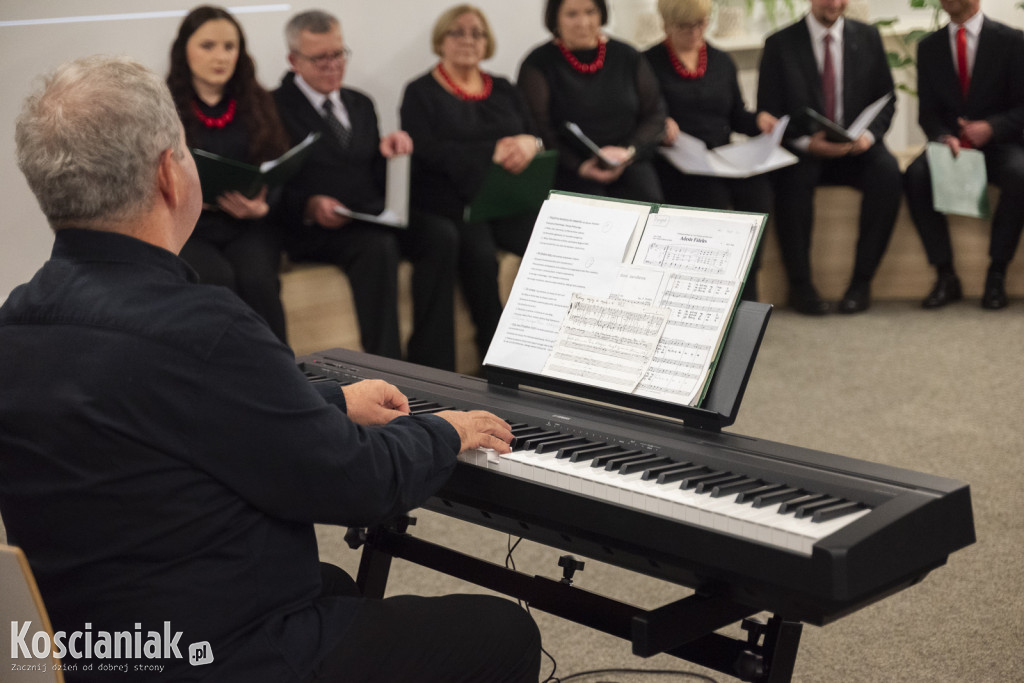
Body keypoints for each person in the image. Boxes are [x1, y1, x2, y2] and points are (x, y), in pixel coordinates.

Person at [0, 54, 540, 683]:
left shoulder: (16, 321)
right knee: (504, 631)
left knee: (335, 584)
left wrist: (333, 403)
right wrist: (446, 430)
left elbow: (174, 415)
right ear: (170, 174)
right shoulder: (203, 329)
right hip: (219, 652)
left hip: (94, 644)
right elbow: (358, 483)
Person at [273, 10, 457, 368]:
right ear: (294, 61)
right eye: (320, 58)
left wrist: (391, 154)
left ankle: (434, 363)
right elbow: (274, 183)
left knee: (441, 235)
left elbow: (371, 174)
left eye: (338, 54)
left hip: (367, 215)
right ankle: (389, 372)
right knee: (378, 247)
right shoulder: (275, 107)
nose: (333, 65)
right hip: (313, 228)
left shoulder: (360, 103)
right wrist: (309, 206)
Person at [400, 5, 541, 362]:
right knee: (479, 255)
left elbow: (535, 134)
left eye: (477, 33)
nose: (468, 40)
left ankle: (544, 346)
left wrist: (531, 143)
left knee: (547, 242)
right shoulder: (420, 91)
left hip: (507, 199)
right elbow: (426, 152)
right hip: (453, 203)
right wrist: (489, 152)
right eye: (458, 32)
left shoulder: (504, 88)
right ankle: (497, 357)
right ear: (441, 40)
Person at [757, 0, 901, 314]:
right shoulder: (780, 44)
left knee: (888, 172)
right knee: (791, 179)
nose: (834, 4)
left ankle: (861, 283)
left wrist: (868, 137)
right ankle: (801, 286)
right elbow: (769, 111)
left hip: (856, 148)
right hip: (805, 149)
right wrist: (807, 142)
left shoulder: (868, 37)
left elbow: (887, 99)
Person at [167, 5, 291, 344]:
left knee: (257, 279)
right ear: (184, 50)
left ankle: (279, 369)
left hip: (248, 224)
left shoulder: (257, 100)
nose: (220, 56)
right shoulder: (165, 106)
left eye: (229, 46)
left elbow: (276, 167)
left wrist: (262, 207)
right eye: (208, 46)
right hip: (191, 229)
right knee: (215, 279)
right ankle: (225, 373)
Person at [645, 0, 777, 301]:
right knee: (710, 198)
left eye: (701, 24)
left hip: (722, 156)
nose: (694, 32)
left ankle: (748, 290)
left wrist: (758, 121)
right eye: (684, 26)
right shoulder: (648, 63)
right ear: (666, 25)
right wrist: (659, 125)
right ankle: (713, 295)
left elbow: (736, 115)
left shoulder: (720, 61)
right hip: (677, 160)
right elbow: (642, 116)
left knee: (758, 193)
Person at [903, 0, 1024, 310]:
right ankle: (945, 275)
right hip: (952, 145)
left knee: (1020, 174)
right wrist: (943, 137)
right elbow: (927, 113)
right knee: (916, 175)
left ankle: (997, 273)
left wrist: (992, 128)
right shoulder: (929, 47)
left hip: (1000, 143)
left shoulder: (1012, 41)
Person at [518, 0, 667, 203]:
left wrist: (628, 151)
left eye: (590, 12)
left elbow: (655, 113)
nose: (583, 22)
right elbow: (538, 126)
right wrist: (578, 166)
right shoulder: (538, 63)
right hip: (569, 167)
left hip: (628, 161)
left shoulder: (627, 55)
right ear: (555, 18)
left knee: (649, 203)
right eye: (572, 14)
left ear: (602, 14)